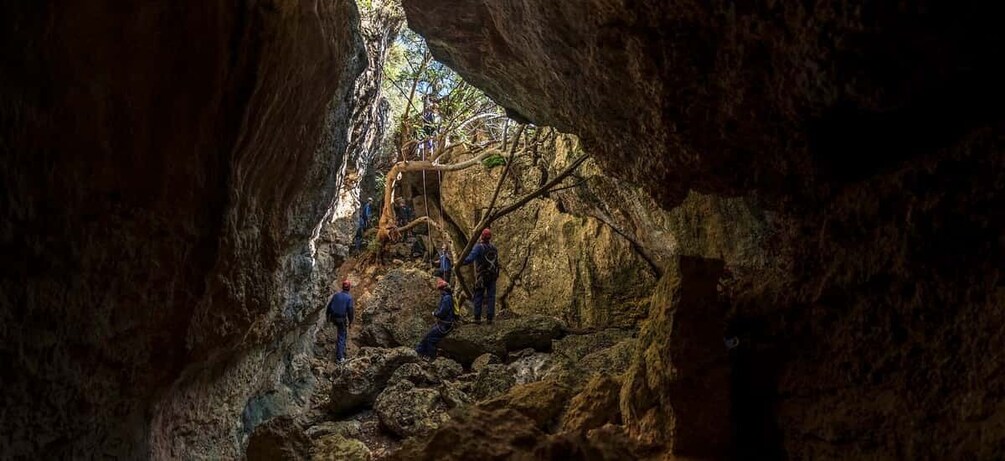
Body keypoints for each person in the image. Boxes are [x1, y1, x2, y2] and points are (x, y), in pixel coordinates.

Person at [460, 228, 500, 325]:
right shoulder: (494, 248)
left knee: (478, 296)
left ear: (481, 236)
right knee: (491, 296)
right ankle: (490, 318)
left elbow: (470, 259)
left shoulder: (478, 247)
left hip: (482, 276)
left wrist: (460, 261)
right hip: (492, 275)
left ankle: (477, 318)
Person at [415, 278, 456, 360]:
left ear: (441, 289)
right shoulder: (448, 296)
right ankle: (418, 353)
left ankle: (431, 357)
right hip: (445, 323)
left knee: (430, 339)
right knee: (427, 336)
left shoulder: (446, 298)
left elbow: (442, 313)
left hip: (445, 325)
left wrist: (435, 313)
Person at [325, 280, 354, 363]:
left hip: (333, 318)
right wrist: (351, 321)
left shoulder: (336, 295)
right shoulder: (349, 298)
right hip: (341, 319)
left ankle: (340, 354)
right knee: (342, 336)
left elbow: (329, 306)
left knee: (340, 335)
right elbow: (350, 310)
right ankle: (340, 357)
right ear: (349, 288)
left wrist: (328, 317)